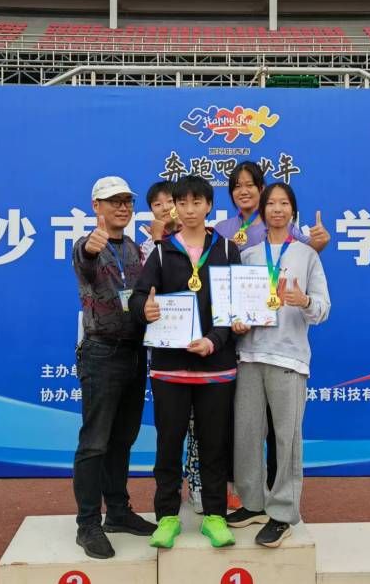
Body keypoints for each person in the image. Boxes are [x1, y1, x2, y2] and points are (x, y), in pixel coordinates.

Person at [130, 175, 241, 550]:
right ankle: (166, 517)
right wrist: (144, 309)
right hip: (169, 368)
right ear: (175, 207)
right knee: (168, 443)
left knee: (214, 445)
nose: (190, 210)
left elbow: (234, 306)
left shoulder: (226, 249)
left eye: (197, 202)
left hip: (216, 366)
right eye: (183, 203)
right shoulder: (162, 252)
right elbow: (139, 297)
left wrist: (214, 340)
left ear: (209, 205)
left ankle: (214, 516)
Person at [214, 160, 331, 495]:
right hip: (248, 355)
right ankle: (251, 503)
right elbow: (231, 299)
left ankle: (283, 508)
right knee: (246, 436)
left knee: (285, 437)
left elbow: (322, 308)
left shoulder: (305, 253)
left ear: (293, 211)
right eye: (272, 205)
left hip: (288, 356)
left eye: (284, 203)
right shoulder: (247, 254)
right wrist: (234, 322)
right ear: (263, 211)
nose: (277, 209)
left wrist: (304, 301)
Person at [71, 176, 157, 560]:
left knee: (123, 439)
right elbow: (85, 259)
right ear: (96, 206)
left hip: (135, 353)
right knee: (94, 443)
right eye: (113, 201)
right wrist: (91, 248)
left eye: (127, 201)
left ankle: (118, 512)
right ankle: (87, 524)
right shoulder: (87, 245)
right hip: (101, 353)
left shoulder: (137, 250)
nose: (122, 207)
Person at [139, 181, 206, 514]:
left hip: (206, 353)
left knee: (202, 429)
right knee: (171, 432)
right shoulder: (149, 247)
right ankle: (169, 501)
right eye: (158, 204)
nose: (166, 208)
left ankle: (199, 487)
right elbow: (142, 292)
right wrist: (156, 241)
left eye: (170, 202)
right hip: (166, 353)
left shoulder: (209, 242)